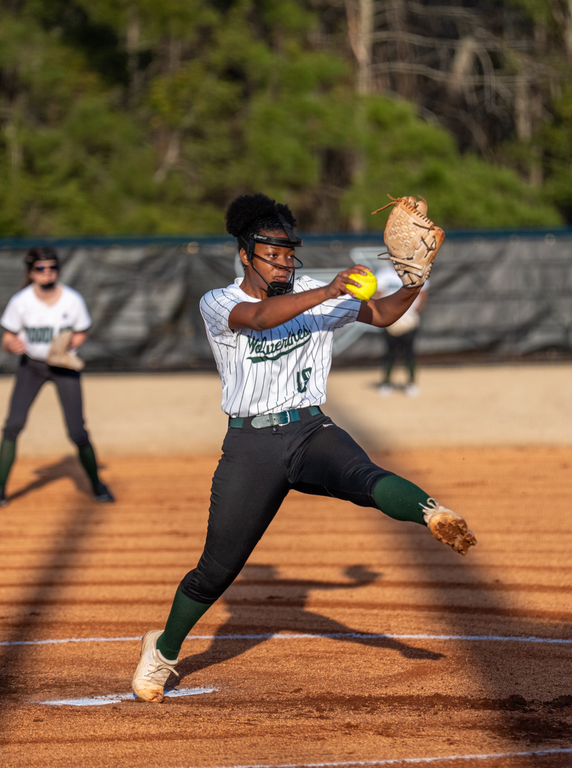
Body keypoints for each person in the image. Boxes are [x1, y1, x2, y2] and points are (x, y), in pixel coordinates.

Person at [130, 193, 476, 702]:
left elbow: (381, 314)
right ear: (246, 253)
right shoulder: (219, 302)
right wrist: (331, 288)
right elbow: (261, 318)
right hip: (252, 445)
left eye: (290, 252)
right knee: (216, 571)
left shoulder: (313, 288)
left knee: (362, 473)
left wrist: (414, 282)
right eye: (273, 252)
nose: (285, 261)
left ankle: (432, 512)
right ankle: (162, 651)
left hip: (310, 431)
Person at [0, 246, 114, 507]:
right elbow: (7, 338)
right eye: (40, 268)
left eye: (52, 267)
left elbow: (81, 331)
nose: (47, 273)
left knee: (77, 431)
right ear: (31, 272)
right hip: (31, 366)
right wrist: (12, 346)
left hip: (63, 367)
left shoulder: (72, 300)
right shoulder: (21, 301)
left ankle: (98, 485)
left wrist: (67, 346)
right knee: (13, 425)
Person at [376, 261, 427, 398]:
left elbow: (422, 294)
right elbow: (378, 295)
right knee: (389, 352)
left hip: (409, 320)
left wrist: (412, 314)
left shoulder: (415, 273)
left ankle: (411, 383)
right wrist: (386, 314)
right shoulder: (384, 275)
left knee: (409, 352)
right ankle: (386, 383)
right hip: (389, 320)